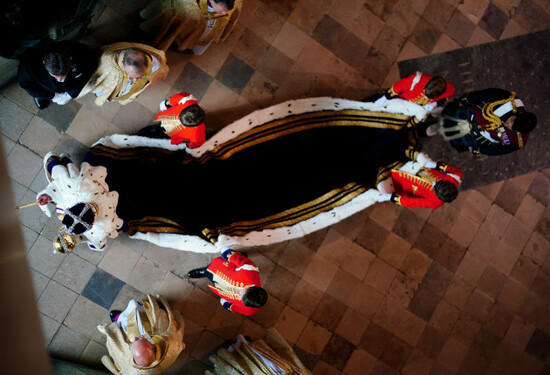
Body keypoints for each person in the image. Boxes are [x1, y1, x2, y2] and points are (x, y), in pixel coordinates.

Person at [36, 97, 434, 253]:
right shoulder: (104, 224)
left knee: (291, 153)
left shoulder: (78, 187)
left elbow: (55, 162)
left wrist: (49, 191)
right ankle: (382, 164)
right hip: (202, 200)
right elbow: (148, 228)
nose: (85, 214)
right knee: (297, 183)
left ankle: (389, 132)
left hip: (198, 174)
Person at [98, 294, 185, 375]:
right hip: (153, 333)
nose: (136, 337)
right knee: (138, 308)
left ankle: (119, 319)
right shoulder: (171, 343)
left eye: (134, 342)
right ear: (153, 345)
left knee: (131, 313)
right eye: (138, 339)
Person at [436, 88, 537, 156]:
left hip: (476, 137)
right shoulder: (510, 100)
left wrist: (479, 150)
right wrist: (466, 100)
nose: (507, 124)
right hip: (471, 114)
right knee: (445, 114)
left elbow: (497, 150)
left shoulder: (517, 141)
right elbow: (485, 94)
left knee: (447, 135)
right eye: (512, 120)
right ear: (519, 113)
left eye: (512, 128)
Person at [77, 42, 169, 106]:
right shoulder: (108, 61)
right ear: (123, 64)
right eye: (131, 75)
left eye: (138, 77)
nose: (135, 80)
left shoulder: (157, 62)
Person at [139, 0, 242, 54]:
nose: (226, 13)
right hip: (190, 21)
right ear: (211, 1)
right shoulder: (188, 6)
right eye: (221, 11)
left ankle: (194, 44)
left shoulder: (228, 9)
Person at [17, 40, 99, 109]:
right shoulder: (28, 65)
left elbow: (91, 65)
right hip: (45, 87)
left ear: (70, 58)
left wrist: (71, 94)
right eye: (55, 75)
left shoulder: (80, 51)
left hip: (71, 84)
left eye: (64, 74)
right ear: (44, 63)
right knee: (38, 91)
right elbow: (25, 84)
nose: (60, 79)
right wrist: (51, 95)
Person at [187, 249, 268, 316]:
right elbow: (230, 254)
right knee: (212, 269)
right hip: (224, 271)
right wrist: (225, 252)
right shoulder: (250, 271)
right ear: (251, 287)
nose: (239, 296)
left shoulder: (251, 311)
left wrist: (224, 302)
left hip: (222, 288)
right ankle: (205, 271)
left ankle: (206, 272)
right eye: (242, 295)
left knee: (214, 281)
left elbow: (231, 307)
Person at [206, 329, 312, 374]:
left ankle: (231, 352)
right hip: (283, 370)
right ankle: (242, 345)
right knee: (261, 358)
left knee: (247, 367)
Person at [376, 159, 462, 209]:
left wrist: (390, 197)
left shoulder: (434, 203)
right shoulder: (454, 179)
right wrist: (436, 165)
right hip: (414, 166)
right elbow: (458, 172)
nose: (435, 183)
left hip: (400, 182)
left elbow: (412, 202)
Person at [138, 92, 206, 147]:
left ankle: (161, 135)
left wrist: (188, 145)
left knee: (166, 137)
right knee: (162, 125)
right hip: (168, 120)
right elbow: (176, 98)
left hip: (176, 135)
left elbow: (197, 143)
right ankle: (157, 128)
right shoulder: (187, 100)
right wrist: (167, 103)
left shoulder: (197, 134)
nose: (177, 121)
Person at [376, 72, 455, 113]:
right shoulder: (415, 80)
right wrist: (384, 98)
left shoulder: (449, 89)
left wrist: (434, 104)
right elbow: (397, 87)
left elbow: (448, 95)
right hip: (402, 100)